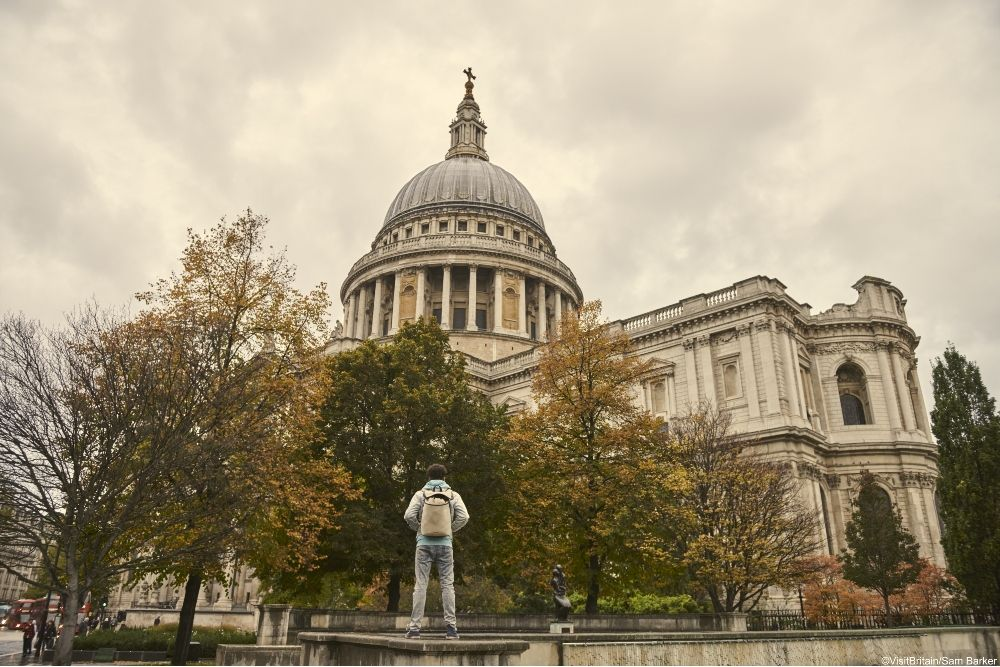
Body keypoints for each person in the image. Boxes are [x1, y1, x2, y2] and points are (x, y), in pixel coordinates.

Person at [403, 463, 469, 640]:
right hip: (445, 545)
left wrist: (420, 529)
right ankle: (451, 629)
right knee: (447, 585)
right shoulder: (453, 495)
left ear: (428, 477)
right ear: (444, 477)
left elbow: (408, 516)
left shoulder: (420, 494)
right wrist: (449, 529)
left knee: (420, 585)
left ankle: (415, 629)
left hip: (423, 544)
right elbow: (464, 517)